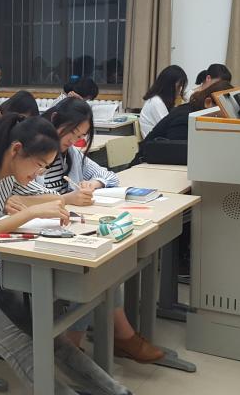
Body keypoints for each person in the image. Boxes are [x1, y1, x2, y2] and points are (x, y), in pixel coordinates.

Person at [0, 114, 129, 395]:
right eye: (39, 164)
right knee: (18, 346)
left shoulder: (8, 176)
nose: (39, 172)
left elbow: (44, 194)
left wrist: (61, 200)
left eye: (45, 167)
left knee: (46, 334)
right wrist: (31, 212)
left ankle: (117, 392)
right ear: (16, 149)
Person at [37, 98, 166, 363]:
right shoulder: (34, 153)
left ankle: (86, 343)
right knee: (96, 271)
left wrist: (92, 184)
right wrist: (68, 198)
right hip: (40, 236)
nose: (75, 140)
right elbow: (28, 198)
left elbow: (110, 177)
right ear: (55, 120)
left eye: (81, 136)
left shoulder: (70, 155)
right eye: (73, 132)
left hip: (67, 227)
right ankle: (105, 341)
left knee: (105, 266)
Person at [145, 81, 234, 142]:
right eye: (225, 111)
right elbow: (175, 152)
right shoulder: (185, 119)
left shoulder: (194, 112)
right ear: (208, 102)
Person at [139, 65, 188, 137]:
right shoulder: (156, 102)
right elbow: (168, 126)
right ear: (169, 85)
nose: (180, 90)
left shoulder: (161, 101)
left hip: (160, 140)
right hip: (154, 142)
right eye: (178, 86)